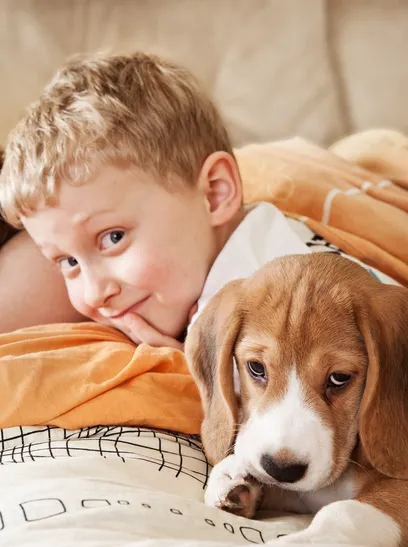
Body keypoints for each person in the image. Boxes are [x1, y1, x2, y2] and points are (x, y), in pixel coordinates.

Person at [0, 51, 244, 347]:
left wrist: (191, 378)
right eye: (69, 261)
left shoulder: (270, 297)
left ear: (215, 194)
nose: (93, 294)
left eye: (113, 237)